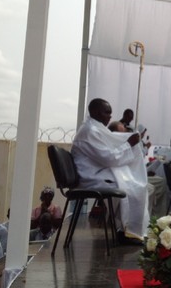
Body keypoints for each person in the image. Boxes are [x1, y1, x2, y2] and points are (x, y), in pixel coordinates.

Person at [71, 98, 149, 244]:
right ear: (94, 111)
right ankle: (128, 232)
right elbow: (109, 157)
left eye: (110, 113)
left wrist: (128, 140)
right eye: (106, 112)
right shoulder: (90, 130)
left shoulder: (94, 128)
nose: (109, 116)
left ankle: (124, 229)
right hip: (90, 177)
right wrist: (128, 143)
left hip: (97, 172)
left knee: (132, 183)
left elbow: (111, 143)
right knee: (133, 187)